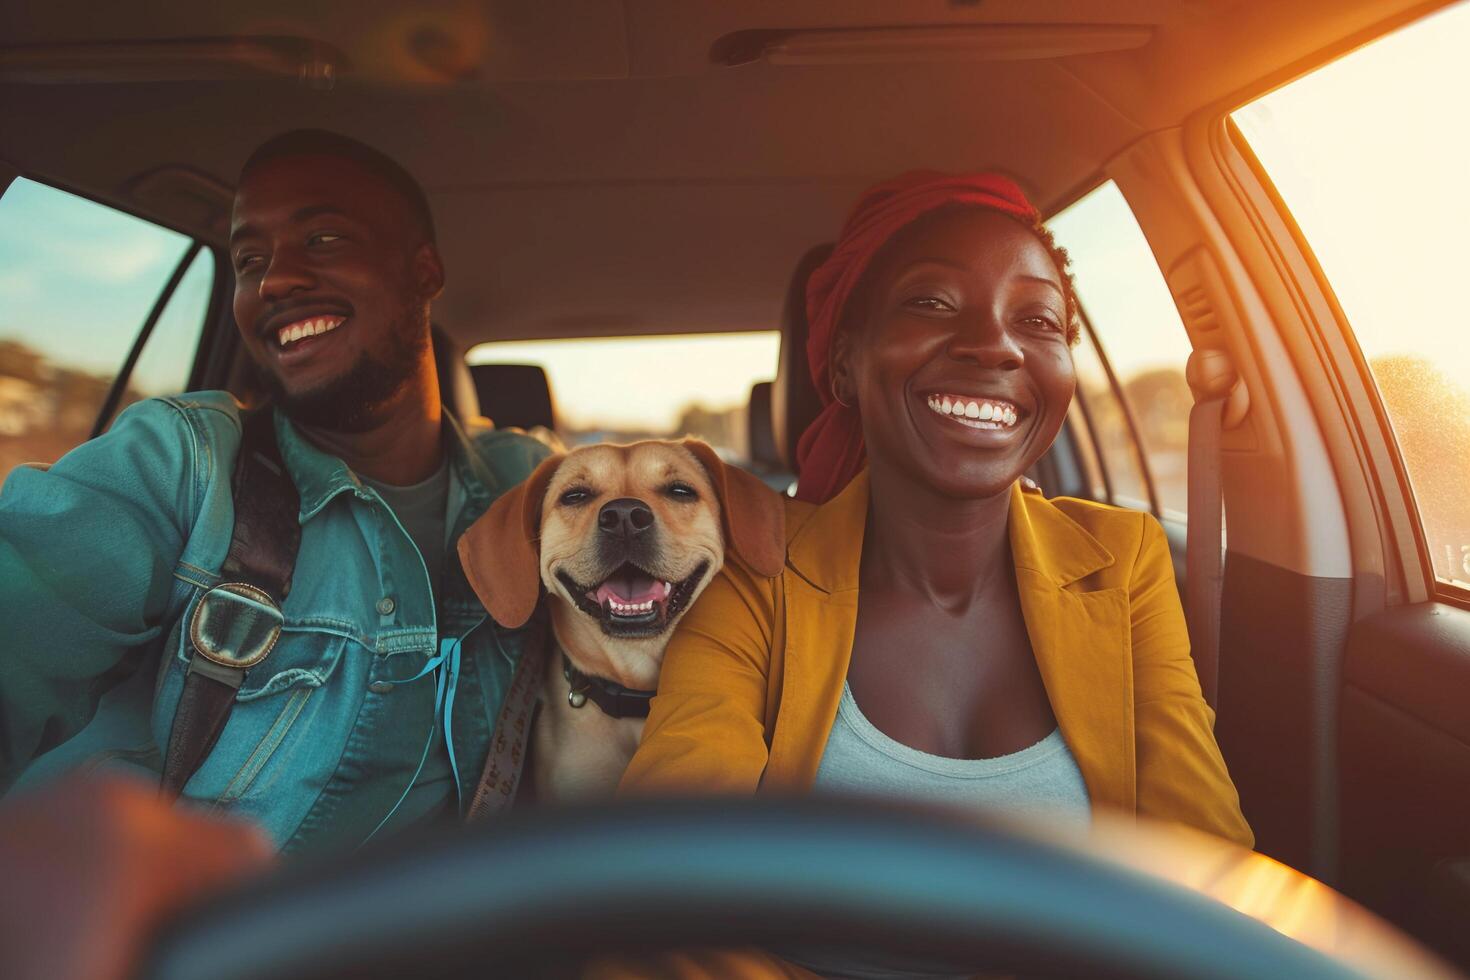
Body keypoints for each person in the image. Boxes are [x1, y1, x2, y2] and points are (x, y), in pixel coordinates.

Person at [612, 172, 1251, 976]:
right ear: (843, 367)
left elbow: (1210, 883)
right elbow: (666, 888)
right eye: (934, 304)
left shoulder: (1124, 563)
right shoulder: (755, 573)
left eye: (1037, 318)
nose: (997, 344)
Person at [0, 130, 551, 852]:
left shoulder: (534, 488)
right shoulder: (184, 463)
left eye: (322, 239)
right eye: (249, 260)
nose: (275, 281)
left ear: (423, 271)